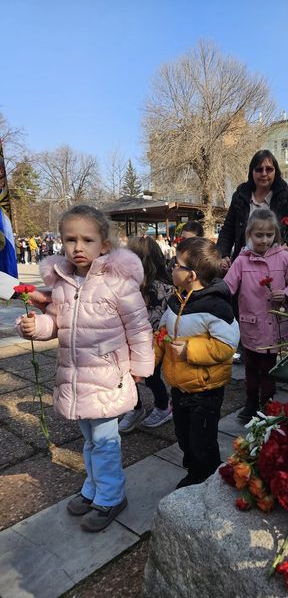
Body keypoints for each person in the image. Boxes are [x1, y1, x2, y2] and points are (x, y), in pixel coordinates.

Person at [17, 205, 154, 532]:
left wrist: (140, 368)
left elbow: (139, 328)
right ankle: (94, 488)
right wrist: (38, 326)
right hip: (77, 378)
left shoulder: (118, 284)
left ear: (104, 245)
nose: (78, 247)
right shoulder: (63, 282)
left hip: (107, 378)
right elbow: (57, 323)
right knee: (90, 440)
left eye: (87, 240)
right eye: (70, 239)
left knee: (106, 441)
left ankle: (111, 496)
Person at [156, 237, 239, 489]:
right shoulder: (177, 299)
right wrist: (152, 356)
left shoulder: (214, 306)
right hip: (180, 385)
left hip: (206, 389)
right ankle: (195, 470)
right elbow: (163, 333)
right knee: (183, 436)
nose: (171, 268)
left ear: (191, 275)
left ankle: (205, 479)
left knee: (202, 440)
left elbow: (227, 346)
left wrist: (190, 349)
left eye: (176, 264)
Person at [224, 210, 288, 423]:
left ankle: (267, 404)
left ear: (275, 234)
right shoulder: (242, 261)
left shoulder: (285, 258)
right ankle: (251, 402)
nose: (264, 240)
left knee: (269, 368)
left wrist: (286, 294)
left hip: (275, 325)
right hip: (251, 325)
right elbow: (228, 287)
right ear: (249, 234)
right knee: (251, 368)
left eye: (269, 235)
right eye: (259, 235)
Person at [119, 236, 173, 432]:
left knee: (151, 377)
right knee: (126, 375)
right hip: (129, 339)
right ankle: (135, 407)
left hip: (153, 342)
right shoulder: (127, 284)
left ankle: (163, 406)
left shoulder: (163, 286)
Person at [216, 150, 288, 268]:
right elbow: (227, 231)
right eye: (259, 169)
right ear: (251, 172)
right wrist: (223, 254)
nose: (264, 173)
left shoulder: (284, 197)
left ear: (275, 172)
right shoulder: (240, 196)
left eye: (269, 169)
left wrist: (287, 246)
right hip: (242, 266)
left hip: (275, 266)